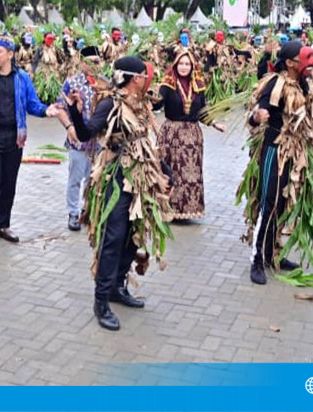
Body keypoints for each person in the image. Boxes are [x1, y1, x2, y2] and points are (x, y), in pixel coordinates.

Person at [55, 55, 172, 331]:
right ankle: (101, 301)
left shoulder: (141, 104)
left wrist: (165, 170)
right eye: (144, 76)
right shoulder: (109, 103)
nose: (147, 80)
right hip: (116, 177)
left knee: (134, 234)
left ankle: (118, 286)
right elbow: (86, 135)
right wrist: (73, 111)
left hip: (140, 177)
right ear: (133, 79)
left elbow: (144, 141)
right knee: (114, 237)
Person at [239, 41, 313, 286]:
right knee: (270, 203)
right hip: (274, 150)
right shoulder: (275, 84)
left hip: (297, 154)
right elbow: (255, 113)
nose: (310, 62)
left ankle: (272, 253)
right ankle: (257, 259)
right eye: (303, 58)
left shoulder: (307, 86)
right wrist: (256, 117)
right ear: (289, 62)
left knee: (284, 204)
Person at [0, 35, 53, 248]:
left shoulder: (22, 78)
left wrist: (46, 110)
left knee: (9, 184)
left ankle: (3, 225)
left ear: (10, 54)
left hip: (15, 139)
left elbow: (32, 104)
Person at [154, 48, 225, 221]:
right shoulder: (167, 85)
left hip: (192, 138)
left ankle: (187, 210)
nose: (184, 67)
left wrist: (214, 123)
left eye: (187, 64)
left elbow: (202, 110)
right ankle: (167, 208)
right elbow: (157, 103)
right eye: (181, 63)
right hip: (171, 135)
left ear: (193, 66)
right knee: (171, 171)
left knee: (190, 175)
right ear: (175, 64)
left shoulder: (198, 86)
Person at [56, 45, 103, 231]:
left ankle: (88, 211)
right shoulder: (72, 83)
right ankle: (73, 213)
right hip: (78, 141)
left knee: (94, 179)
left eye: (98, 62)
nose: (95, 66)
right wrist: (69, 127)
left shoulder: (104, 84)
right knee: (75, 178)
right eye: (91, 62)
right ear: (82, 63)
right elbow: (61, 108)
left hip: (99, 142)